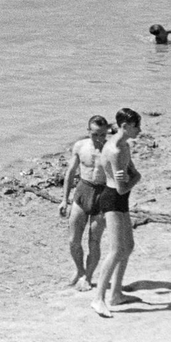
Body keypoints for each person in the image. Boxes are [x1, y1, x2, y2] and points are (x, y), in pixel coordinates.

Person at [90, 108, 142, 317]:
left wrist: (133, 178)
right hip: (112, 199)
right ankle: (98, 298)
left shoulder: (125, 146)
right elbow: (124, 185)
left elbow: (131, 174)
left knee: (128, 246)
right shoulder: (116, 151)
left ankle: (117, 293)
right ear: (124, 126)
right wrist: (136, 179)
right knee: (116, 249)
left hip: (120, 198)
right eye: (136, 126)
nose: (139, 130)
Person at [61, 116, 111, 291]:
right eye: (95, 134)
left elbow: (125, 173)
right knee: (73, 239)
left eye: (102, 134)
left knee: (94, 241)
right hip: (83, 190)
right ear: (88, 131)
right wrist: (64, 200)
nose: (99, 138)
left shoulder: (112, 149)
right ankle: (80, 271)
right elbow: (70, 172)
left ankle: (88, 276)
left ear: (107, 132)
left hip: (103, 194)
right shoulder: (80, 146)